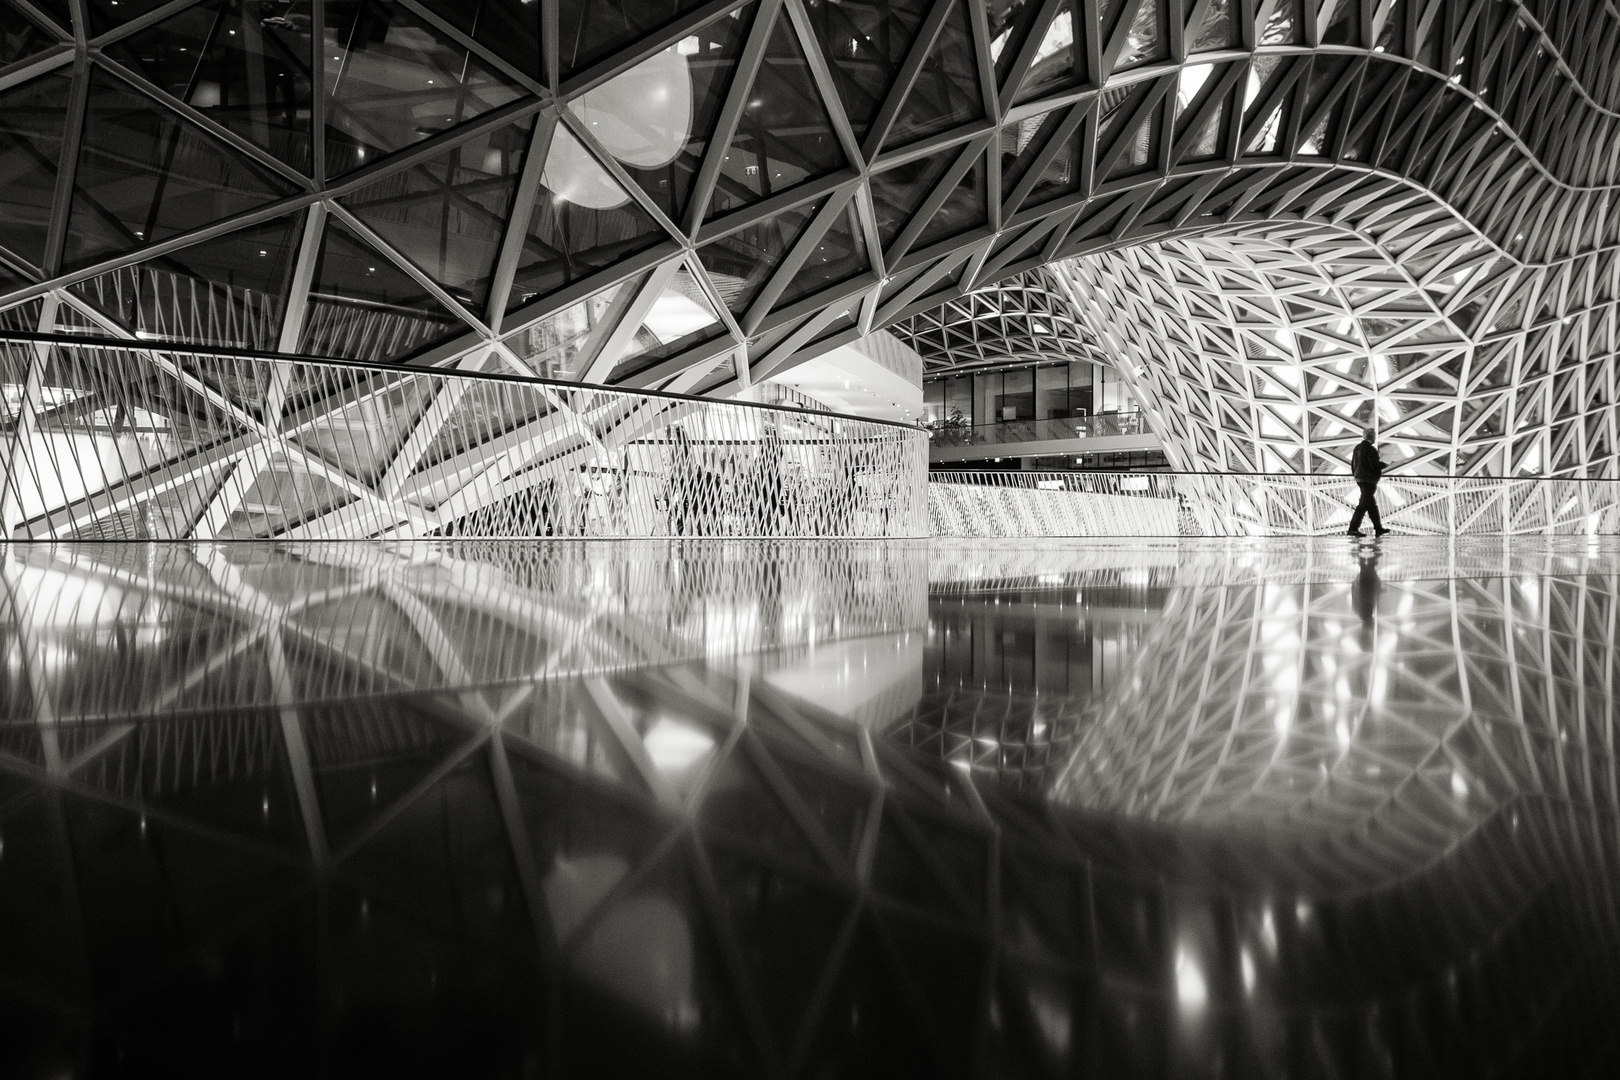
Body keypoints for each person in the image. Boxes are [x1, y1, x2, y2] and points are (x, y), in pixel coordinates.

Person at [1348, 426, 1390, 537]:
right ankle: (1353, 529)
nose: (1375, 438)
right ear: (1371, 437)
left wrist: (1356, 475)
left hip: (1360, 478)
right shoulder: (1370, 449)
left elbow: (1353, 464)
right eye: (1375, 436)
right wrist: (1384, 465)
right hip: (1368, 479)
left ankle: (1378, 528)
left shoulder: (1357, 448)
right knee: (1362, 505)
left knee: (1371, 505)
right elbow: (1373, 464)